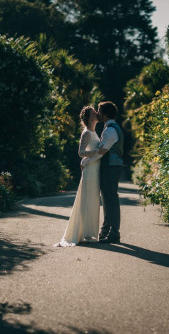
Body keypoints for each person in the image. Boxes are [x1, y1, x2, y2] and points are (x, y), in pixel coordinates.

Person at [54, 106, 102, 247]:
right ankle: (80, 232)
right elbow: (81, 153)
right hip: (89, 171)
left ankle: (89, 232)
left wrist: (94, 153)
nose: (97, 113)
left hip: (94, 169)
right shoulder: (86, 133)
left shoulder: (94, 132)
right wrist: (96, 151)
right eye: (94, 112)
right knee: (86, 200)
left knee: (92, 200)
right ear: (89, 117)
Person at [82, 101, 123, 243]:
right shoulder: (109, 128)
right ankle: (106, 229)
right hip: (110, 166)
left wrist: (85, 161)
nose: (97, 113)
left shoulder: (110, 130)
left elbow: (101, 152)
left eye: (99, 111)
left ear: (105, 115)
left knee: (110, 198)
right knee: (107, 198)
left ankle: (114, 233)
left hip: (111, 166)